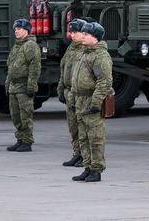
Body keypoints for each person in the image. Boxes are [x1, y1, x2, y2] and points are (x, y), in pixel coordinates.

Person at [70, 22, 112, 183]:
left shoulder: (99, 56)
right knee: (83, 137)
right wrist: (73, 99)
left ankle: (96, 169)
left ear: (95, 37)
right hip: (80, 100)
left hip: (90, 100)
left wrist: (96, 102)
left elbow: (104, 81)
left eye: (86, 34)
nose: (83, 36)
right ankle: (87, 167)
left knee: (95, 138)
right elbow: (76, 79)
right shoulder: (84, 54)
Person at [5, 18, 41, 152]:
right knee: (16, 116)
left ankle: (27, 141)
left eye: (19, 29)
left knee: (25, 115)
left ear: (26, 30)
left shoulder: (30, 45)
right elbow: (11, 66)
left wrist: (31, 85)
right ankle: (20, 139)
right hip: (14, 86)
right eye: (15, 29)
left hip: (24, 85)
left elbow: (34, 67)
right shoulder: (17, 46)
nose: (16, 31)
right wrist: (8, 83)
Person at [57, 18, 86, 167]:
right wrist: (61, 88)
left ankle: (85, 156)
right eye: (71, 32)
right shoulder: (71, 49)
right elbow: (64, 70)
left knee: (82, 127)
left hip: (78, 93)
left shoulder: (85, 50)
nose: (72, 35)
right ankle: (77, 153)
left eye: (76, 32)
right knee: (73, 126)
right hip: (69, 92)